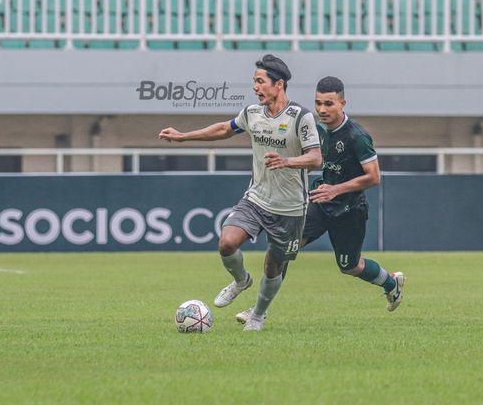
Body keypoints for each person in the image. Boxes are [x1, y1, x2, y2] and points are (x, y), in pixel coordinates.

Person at [158, 55, 321, 332]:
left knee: (273, 267)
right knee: (227, 242)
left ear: (278, 84)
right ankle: (241, 280)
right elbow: (224, 129)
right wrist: (183, 136)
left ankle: (257, 315)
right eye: (254, 82)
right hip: (256, 198)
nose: (256, 87)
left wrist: (288, 161)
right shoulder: (252, 113)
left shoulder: (300, 117)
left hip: (290, 208)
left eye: (260, 82)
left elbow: (316, 158)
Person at [236, 76, 405, 324]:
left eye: (329, 104)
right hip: (319, 202)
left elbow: (374, 177)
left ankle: (392, 283)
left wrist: (337, 189)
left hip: (350, 210)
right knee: (282, 249)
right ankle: (259, 310)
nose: (322, 110)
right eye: (318, 103)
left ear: (342, 103)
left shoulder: (357, 136)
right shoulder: (317, 129)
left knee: (350, 266)